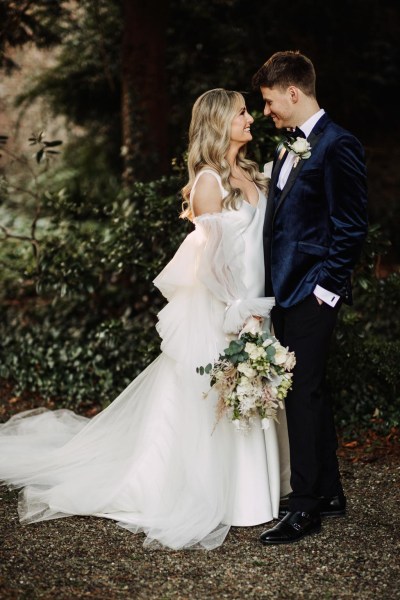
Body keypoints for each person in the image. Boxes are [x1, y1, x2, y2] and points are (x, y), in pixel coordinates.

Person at [0, 88, 290, 551]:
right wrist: (240, 314)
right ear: (219, 122)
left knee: (248, 389)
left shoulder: (253, 173)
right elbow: (210, 262)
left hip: (255, 303)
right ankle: (218, 494)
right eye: (240, 112)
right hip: (227, 309)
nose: (249, 117)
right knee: (216, 393)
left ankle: (254, 492)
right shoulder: (209, 183)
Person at [251, 51, 368, 544]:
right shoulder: (288, 147)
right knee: (311, 392)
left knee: (301, 396)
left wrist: (325, 291)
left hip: (311, 293)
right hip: (285, 292)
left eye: (270, 100)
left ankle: (304, 509)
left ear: (293, 93)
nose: (266, 111)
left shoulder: (337, 145)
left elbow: (351, 225)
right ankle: (330, 491)